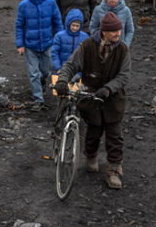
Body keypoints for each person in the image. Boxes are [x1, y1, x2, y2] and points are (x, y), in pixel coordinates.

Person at [54, 11, 130, 189]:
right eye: (114, 31)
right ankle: (91, 154)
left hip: (113, 99)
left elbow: (124, 76)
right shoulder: (87, 47)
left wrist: (109, 88)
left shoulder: (123, 49)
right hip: (91, 99)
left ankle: (113, 170)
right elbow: (70, 65)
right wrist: (63, 80)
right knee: (93, 131)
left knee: (114, 136)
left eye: (119, 30)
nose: (118, 34)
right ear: (104, 31)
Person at [16, 0, 64, 110]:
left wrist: (60, 40)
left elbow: (57, 22)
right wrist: (20, 44)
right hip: (30, 44)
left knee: (46, 71)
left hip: (47, 43)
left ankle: (42, 80)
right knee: (33, 73)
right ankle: (38, 99)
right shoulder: (23, 6)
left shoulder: (51, 3)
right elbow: (19, 26)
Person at [51, 8, 89, 74]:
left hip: (79, 71)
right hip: (62, 70)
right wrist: (58, 68)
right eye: (73, 25)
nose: (75, 28)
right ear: (68, 24)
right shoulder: (59, 36)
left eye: (77, 26)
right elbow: (55, 53)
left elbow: (88, 55)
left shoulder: (85, 37)